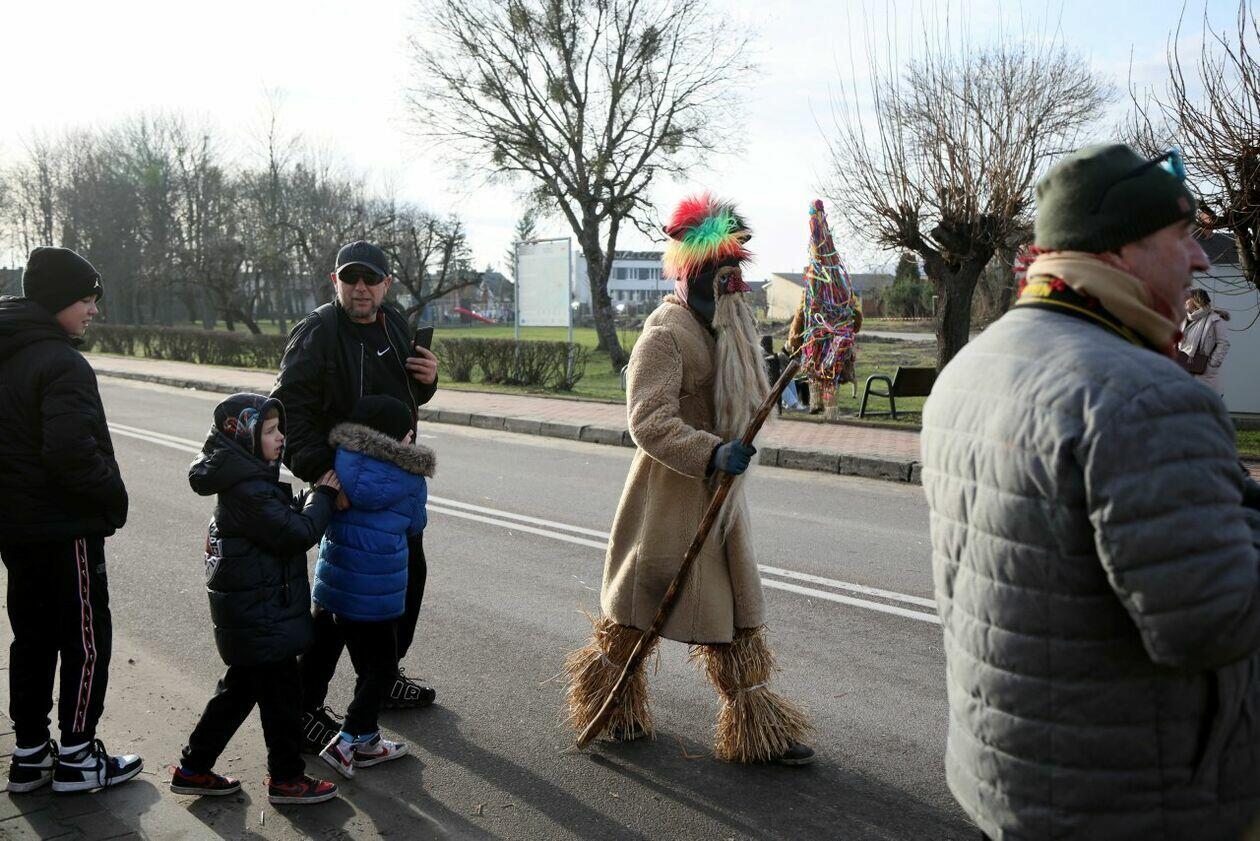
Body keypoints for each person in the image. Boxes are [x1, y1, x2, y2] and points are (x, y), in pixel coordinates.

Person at [921, 144, 1260, 839]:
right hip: (1139, 799)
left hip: (1011, 781)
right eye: (1182, 235)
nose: (1201, 258)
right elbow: (1211, 623)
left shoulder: (970, 367)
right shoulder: (1145, 395)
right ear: (1119, 251)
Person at [563, 193, 814, 766]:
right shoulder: (665, 333)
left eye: (733, 272)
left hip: (719, 497)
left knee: (733, 611)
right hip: (671, 496)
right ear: (691, 272)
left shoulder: (726, 327)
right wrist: (712, 452)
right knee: (639, 609)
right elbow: (647, 421)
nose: (730, 284)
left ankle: (756, 724)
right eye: (717, 272)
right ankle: (612, 702)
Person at [271, 240, 440, 752]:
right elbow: (287, 410)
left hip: (392, 485)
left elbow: (401, 396)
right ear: (335, 282)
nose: (360, 288)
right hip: (347, 483)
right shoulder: (319, 331)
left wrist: (429, 382)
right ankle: (304, 707)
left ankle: (382, 678)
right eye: (350, 278)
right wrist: (323, 474)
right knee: (341, 601)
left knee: (404, 580)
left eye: (370, 279)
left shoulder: (394, 323)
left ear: (386, 284)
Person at [0, 247, 142, 794]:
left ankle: (30, 755)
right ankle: (79, 758)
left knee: (31, 639)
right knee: (86, 641)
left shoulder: (8, 351)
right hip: (65, 527)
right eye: (86, 299)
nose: (94, 310)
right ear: (58, 300)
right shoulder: (61, 362)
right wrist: (113, 498)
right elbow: (70, 453)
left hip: (16, 527)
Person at [172, 393, 342, 805]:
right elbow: (297, 533)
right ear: (245, 438)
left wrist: (304, 501)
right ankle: (286, 779)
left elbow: (278, 519)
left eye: (279, 428)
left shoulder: (248, 479)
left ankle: (193, 768)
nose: (280, 437)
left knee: (238, 692)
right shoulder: (248, 489)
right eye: (269, 431)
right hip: (262, 616)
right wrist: (322, 496)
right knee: (282, 699)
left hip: (256, 613)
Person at [304, 395, 434, 779]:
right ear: (394, 438)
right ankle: (348, 741)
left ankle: (368, 740)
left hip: (333, 587)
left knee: (345, 660)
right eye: (408, 434)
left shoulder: (338, 463)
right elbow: (414, 526)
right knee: (381, 669)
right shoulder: (410, 479)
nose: (412, 439)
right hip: (375, 595)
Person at [1179, 287, 1231, 396]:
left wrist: (1212, 365)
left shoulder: (1215, 319)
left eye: (1187, 298)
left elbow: (1223, 343)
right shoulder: (1184, 319)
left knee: (1202, 401)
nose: (1184, 301)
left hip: (1203, 371)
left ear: (1196, 300)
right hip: (1184, 368)